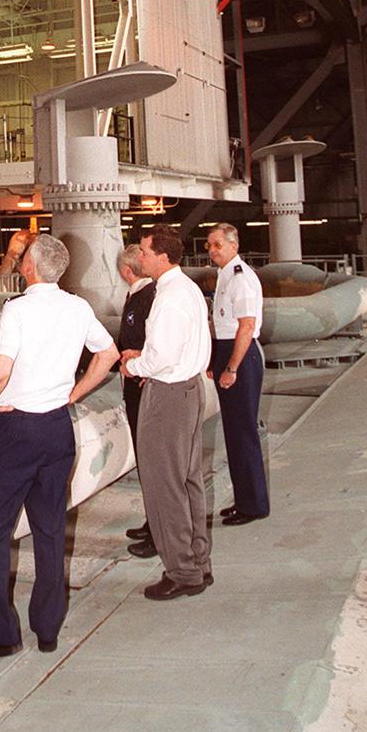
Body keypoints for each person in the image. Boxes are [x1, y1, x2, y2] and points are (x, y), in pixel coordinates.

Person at [0, 233, 118, 659]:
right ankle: (47, 628)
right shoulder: (78, 307)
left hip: (16, 430)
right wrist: (74, 394)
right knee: (50, 529)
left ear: (29, 266)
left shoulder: (17, 309)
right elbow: (108, 355)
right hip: (56, 430)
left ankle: (1, 633)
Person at [121, 225, 212, 600]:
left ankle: (182, 573)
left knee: (165, 487)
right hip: (187, 389)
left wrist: (134, 366)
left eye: (143, 252)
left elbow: (162, 357)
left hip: (168, 397)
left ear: (162, 256)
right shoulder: (185, 288)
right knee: (188, 481)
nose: (139, 258)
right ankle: (197, 562)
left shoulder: (169, 297)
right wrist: (147, 359)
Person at [206, 223, 269, 525]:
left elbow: (245, 326)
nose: (211, 250)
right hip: (228, 352)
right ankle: (245, 498)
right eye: (209, 245)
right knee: (234, 433)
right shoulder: (225, 276)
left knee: (243, 433)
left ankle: (254, 505)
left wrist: (231, 367)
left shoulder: (241, 279)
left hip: (241, 357)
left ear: (233, 245)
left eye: (217, 245)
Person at [117, 244, 157, 558]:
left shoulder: (149, 296)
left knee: (153, 459)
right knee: (145, 459)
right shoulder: (136, 294)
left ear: (127, 270)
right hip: (133, 382)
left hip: (144, 383)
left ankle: (159, 530)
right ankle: (153, 520)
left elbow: (152, 342)